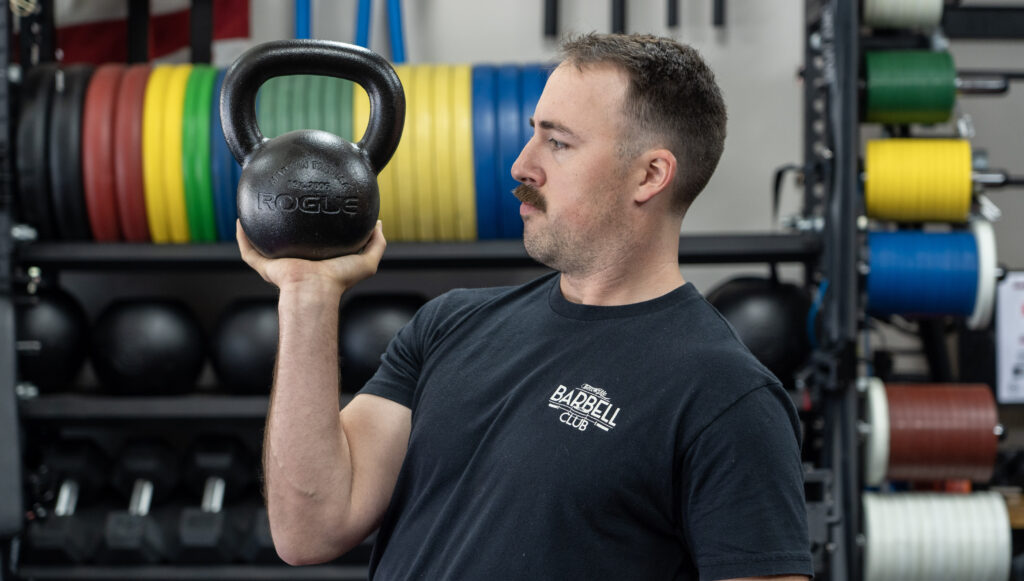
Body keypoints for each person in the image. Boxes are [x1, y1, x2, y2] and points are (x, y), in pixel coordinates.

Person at [238, 32, 813, 581]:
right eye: (533, 132)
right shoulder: (449, 326)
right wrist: (307, 294)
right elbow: (308, 529)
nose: (521, 165)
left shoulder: (727, 399)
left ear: (650, 175)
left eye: (558, 143)